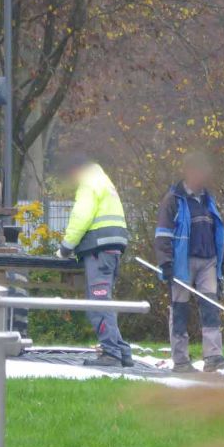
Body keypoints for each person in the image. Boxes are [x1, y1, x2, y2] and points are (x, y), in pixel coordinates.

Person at [154, 152, 224, 373]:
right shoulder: (173, 200)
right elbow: (162, 234)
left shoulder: (209, 200)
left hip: (208, 262)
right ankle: (180, 360)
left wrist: (221, 262)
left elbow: (217, 233)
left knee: (211, 307)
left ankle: (213, 356)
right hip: (182, 263)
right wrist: (166, 263)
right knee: (179, 309)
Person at [56, 155, 133, 367]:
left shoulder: (89, 184)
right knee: (103, 300)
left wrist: (66, 247)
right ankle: (121, 351)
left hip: (98, 248)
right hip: (113, 248)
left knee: (97, 302)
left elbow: (81, 216)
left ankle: (111, 353)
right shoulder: (105, 182)